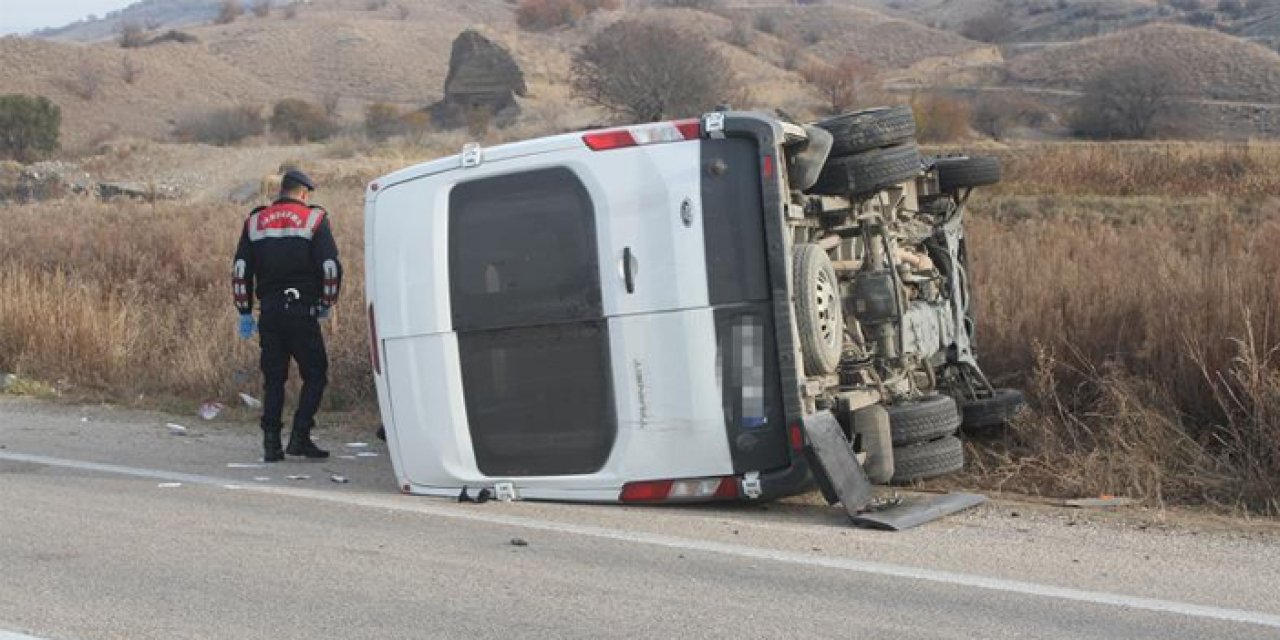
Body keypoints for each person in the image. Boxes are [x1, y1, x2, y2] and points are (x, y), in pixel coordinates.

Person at [232, 169, 342, 462]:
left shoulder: (255, 221)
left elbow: (240, 271)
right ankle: (300, 436)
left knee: (274, 379)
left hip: (269, 313)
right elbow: (330, 268)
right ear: (304, 194)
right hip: (301, 311)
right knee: (315, 374)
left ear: (281, 190)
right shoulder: (314, 220)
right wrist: (327, 304)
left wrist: (244, 311)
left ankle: (271, 443)